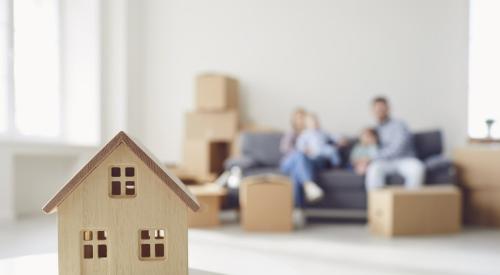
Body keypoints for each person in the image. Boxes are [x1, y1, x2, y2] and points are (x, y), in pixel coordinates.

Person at [365, 96, 425, 190]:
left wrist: (373, 157)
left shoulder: (399, 125)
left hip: (404, 160)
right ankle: (378, 203)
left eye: (382, 108)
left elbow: (398, 148)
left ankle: (409, 203)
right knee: (373, 169)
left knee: (417, 169)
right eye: (377, 109)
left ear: (388, 108)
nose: (379, 111)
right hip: (385, 162)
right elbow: (367, 147)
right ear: (372, 111)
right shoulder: (374, 130)